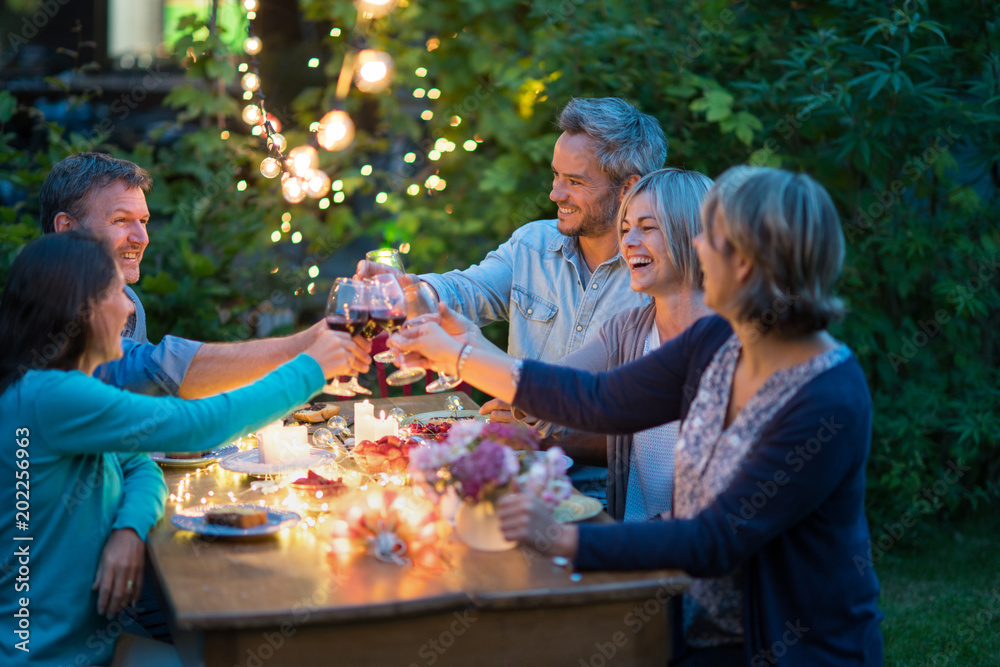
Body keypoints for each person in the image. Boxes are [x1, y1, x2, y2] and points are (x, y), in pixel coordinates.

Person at [391, 167, 884, 665]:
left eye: (710, 237)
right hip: (693, 621)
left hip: (787, 647)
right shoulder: (719, 342)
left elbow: (714, 538)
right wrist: (463, 349)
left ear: (747, 261)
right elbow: (597, 398)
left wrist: (563, 537)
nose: (699, 249)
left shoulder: (827, 397)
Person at [0, 230, 369, 667]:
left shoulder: (55, 390)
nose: (128, 307)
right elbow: (200, 425)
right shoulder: (51, 398)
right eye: (118, 292)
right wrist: (312, 367)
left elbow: (137, 461)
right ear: (84, 308)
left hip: (90, 645)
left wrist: (129, 527)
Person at [360, 97, 667, 499]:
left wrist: (543, 434)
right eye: (556, 175)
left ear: (628, 188)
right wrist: (415, 289)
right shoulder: (533, 245)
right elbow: (468, 289)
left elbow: (648, 440)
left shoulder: (656, 280)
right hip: (508, 482)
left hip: (601, 500)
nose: (556, 193)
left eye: (574, 181)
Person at [39, 152, 344, 399]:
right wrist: (306, 347)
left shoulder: (126, 299)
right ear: (67, 228)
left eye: (143, 221)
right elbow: (152, 372)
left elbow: (145, 406)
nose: (141, 237)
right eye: (120, 220)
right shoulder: (47, 307)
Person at [531, 167, 716, 521]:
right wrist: (523, 405)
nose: (628, 243)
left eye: (647, 228)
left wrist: (463, 353)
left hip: (690, 559)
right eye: (626, 228)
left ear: (694, 236)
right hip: (632, 547)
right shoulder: (628, 329)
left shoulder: (733, 347)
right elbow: (553, 382)